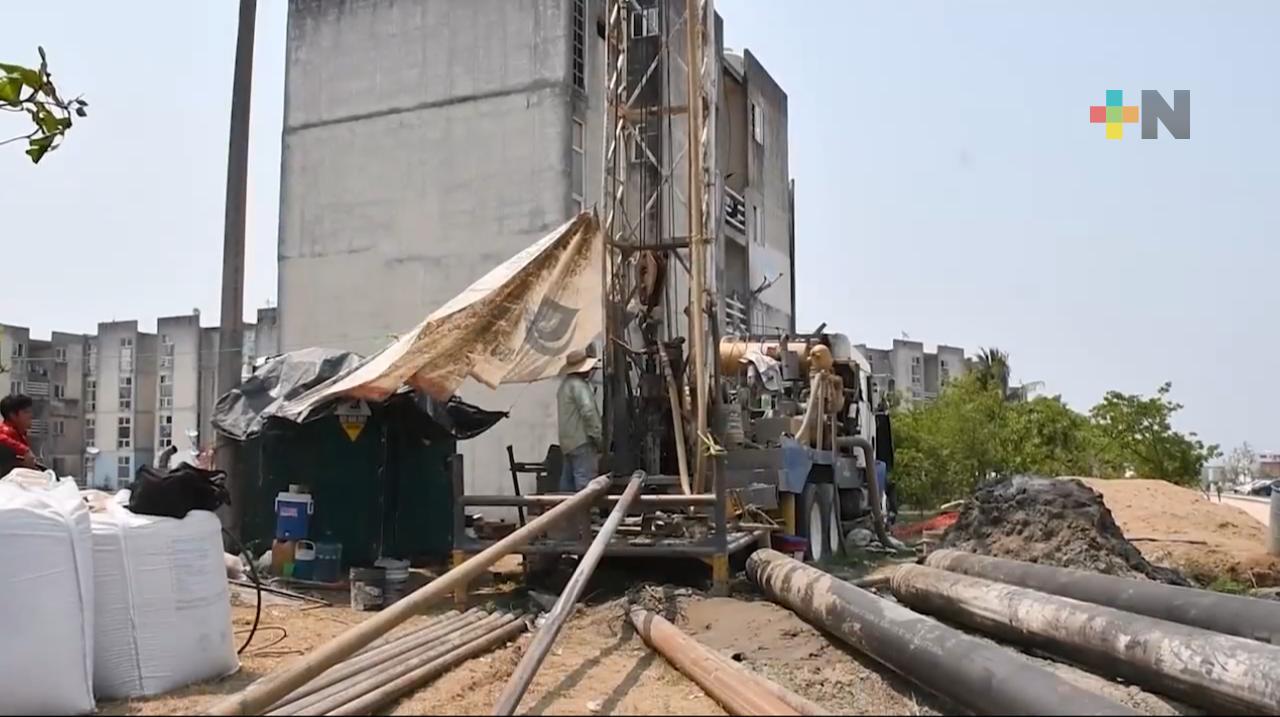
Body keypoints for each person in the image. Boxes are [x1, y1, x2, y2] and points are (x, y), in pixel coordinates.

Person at [557, 347, 602, 493]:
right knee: (585, 488)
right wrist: (599, 438)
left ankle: (566, 515)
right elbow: (589, 412)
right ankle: (584, 515)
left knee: (567, 488)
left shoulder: (564, 386)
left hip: (567, 444)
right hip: (583, 442)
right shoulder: (580, 386)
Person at [0, 394, 39, 475]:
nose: (31, 415)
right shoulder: (6, 432)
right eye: (26, 412)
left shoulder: (19, 434)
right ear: (13, 415)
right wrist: (24, 450)